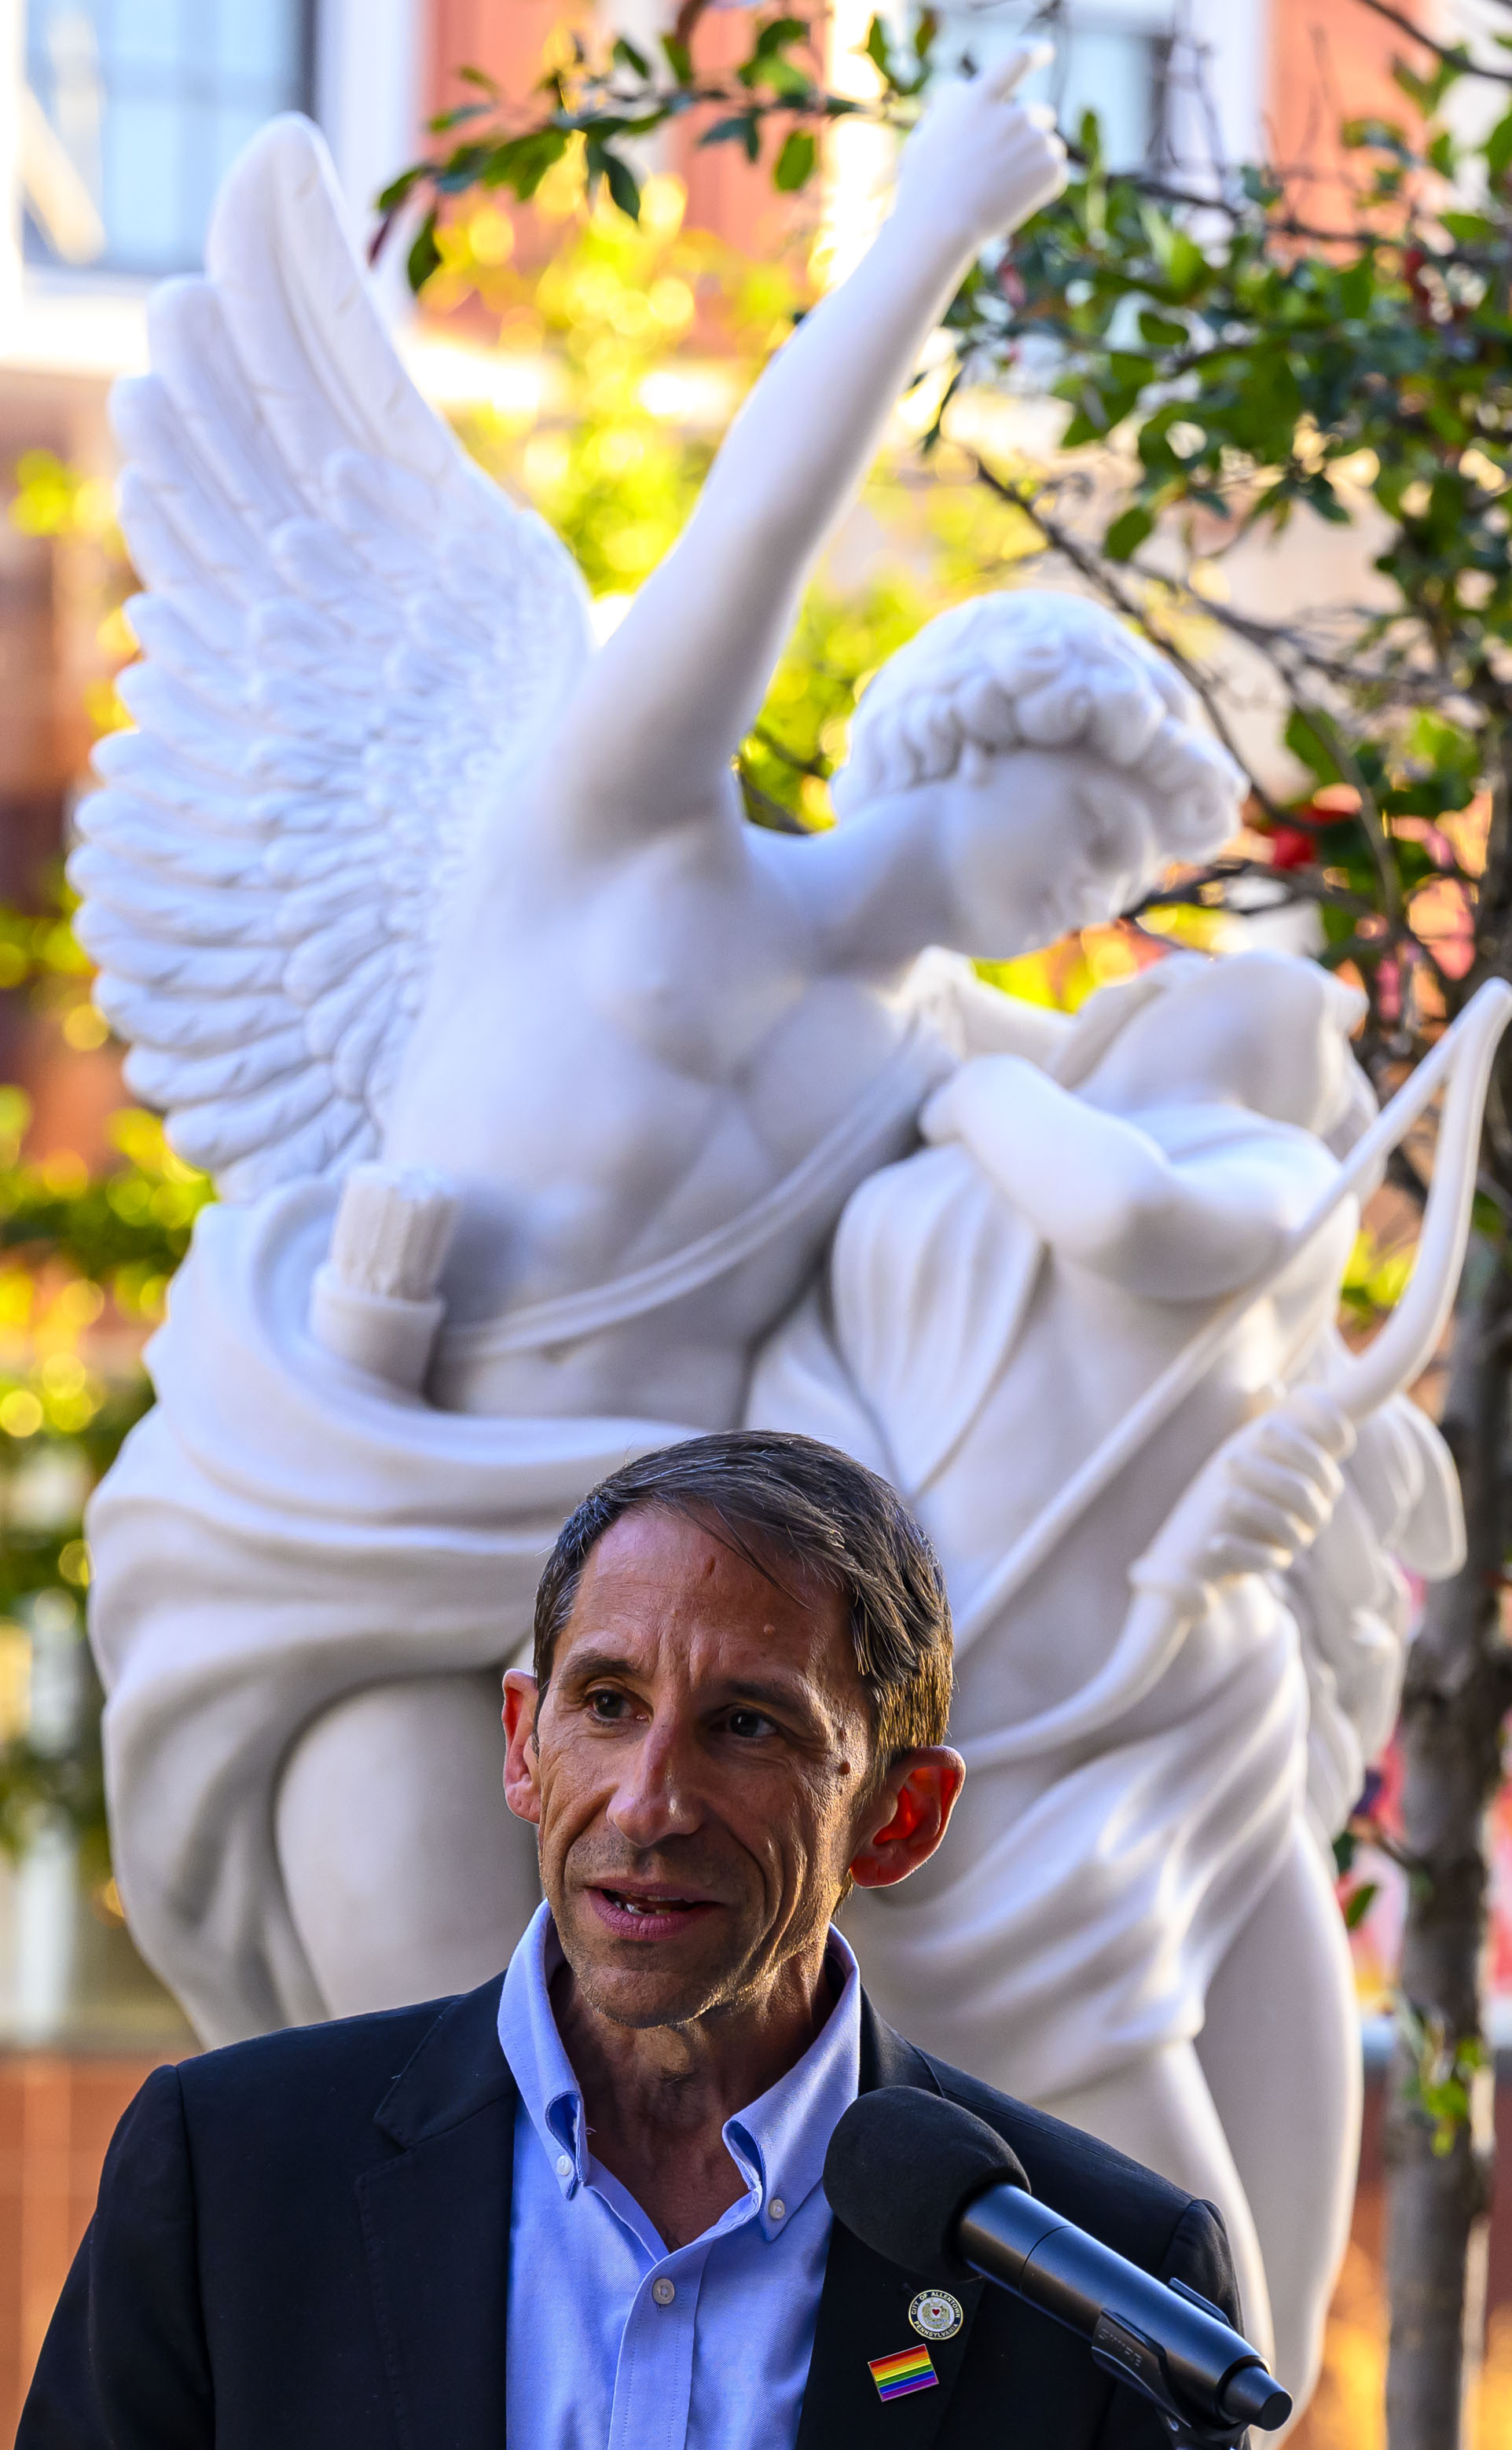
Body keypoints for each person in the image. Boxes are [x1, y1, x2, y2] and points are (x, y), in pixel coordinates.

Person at [24, 1433, 1246, 2450]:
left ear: (900, 1815)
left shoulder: (1111, 2286)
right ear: (523, 1743)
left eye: (748, 1724)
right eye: (608, 1704)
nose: (651, 1802)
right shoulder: (229, 2175)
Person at [747, 950, 1461, 2403]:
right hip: (1019, 1813)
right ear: (1131, 1012)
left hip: (1211, 1737)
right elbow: (803, 1449)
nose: (1324, 1006)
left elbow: (1136, 1218)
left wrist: (982, 1087)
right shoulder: (912, 1206)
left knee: (1268, 2313)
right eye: (1254, 980)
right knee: (1184, 2310)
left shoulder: (1270, 1172)